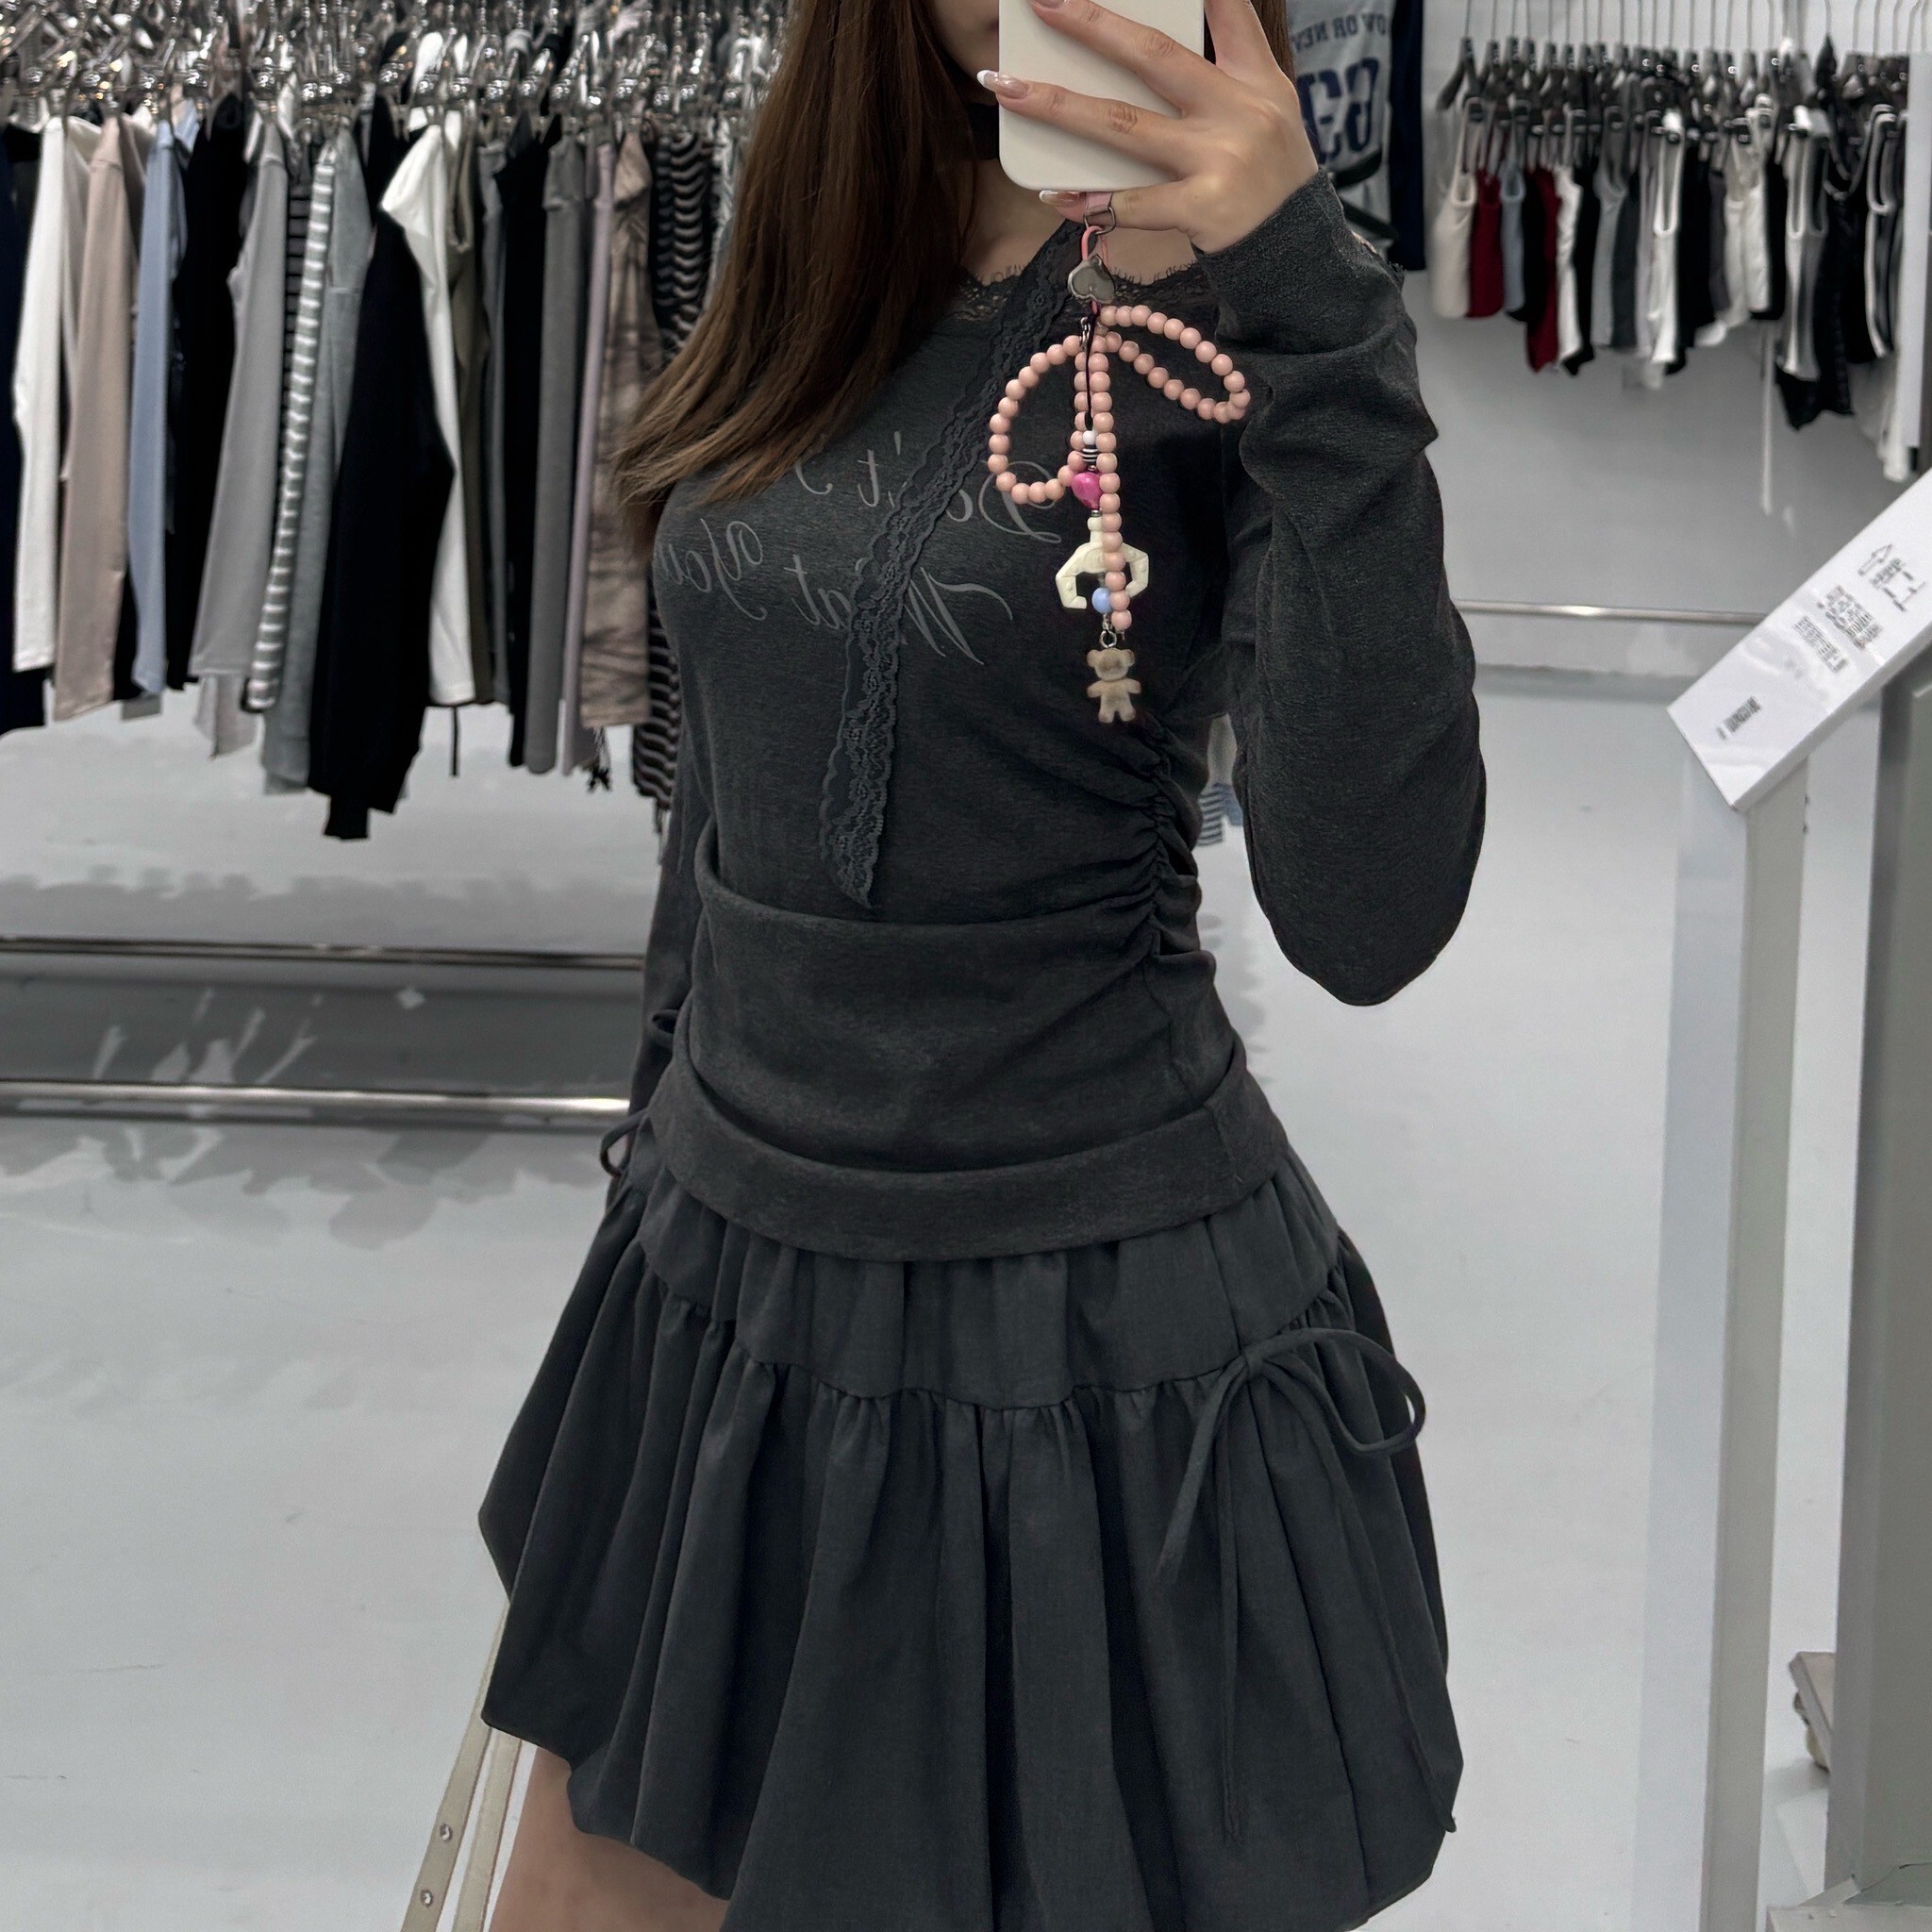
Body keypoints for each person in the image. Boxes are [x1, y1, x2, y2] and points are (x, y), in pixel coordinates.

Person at [478, 0, 1484, 1925]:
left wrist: (1315, 313)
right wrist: (658, 1131)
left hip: (1078, 1337)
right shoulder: (830, 217)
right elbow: (727, 781)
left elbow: (1373, 915)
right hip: (727, 1273)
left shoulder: (1250, 298)